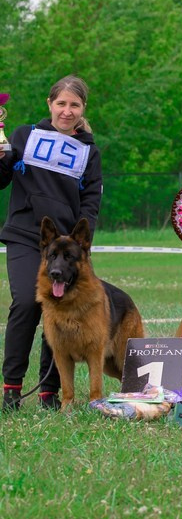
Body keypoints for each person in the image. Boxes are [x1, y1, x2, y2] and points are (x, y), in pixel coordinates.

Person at [0, 76, 103, 411]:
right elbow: (2, 179)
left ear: (83, 108)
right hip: (26, 236)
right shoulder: (23, 135)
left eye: (74, 105)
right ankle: (11, 389)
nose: (67, 111)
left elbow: (90, 203)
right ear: (50, 104)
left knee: (62, 309)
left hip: (67, 247)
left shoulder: (89, 151)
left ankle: (49, 392)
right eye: (61, 103)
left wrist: (81, 245)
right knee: (29, 304)